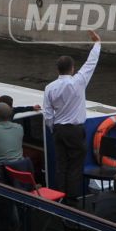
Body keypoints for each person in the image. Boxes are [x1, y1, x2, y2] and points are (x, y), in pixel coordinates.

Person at [40, 31, 101, 203]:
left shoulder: (49, 87)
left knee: (62, 164)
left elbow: (48, 112)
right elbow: (91, 63)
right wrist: (97, 43)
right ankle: (72, 199)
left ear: (57, 69)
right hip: (75, 130)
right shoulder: (79, 81)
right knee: (75, 165)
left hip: (59, 130)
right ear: (72, 68)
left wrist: (52, 128)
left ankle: (60, 194)